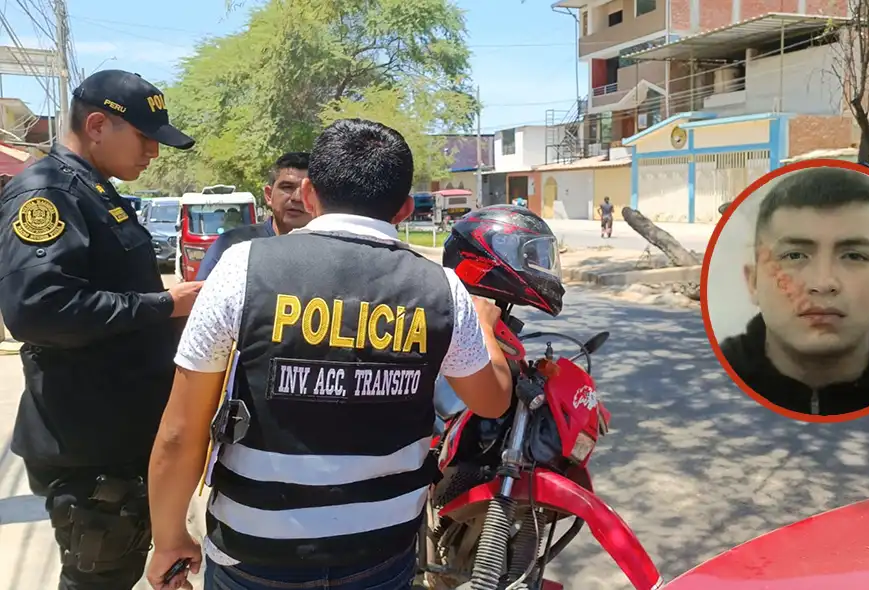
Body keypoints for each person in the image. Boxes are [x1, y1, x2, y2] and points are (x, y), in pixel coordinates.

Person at [145, 118, 514, 590]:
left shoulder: (244, 268)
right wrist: (484, 325)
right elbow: (492, 400)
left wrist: (169, 539)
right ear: (403, 209)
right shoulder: (442, 289)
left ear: (311, 194)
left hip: (254, 556)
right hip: (379, 554)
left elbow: (180, 434)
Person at [0, 69, 202, 590]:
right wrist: (163, 305)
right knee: (99, 579)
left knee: (122, 570)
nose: (153, 154)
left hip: (116, 435)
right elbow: (39, 309)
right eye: (145, 139)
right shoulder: (47, 192)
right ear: (96, 125)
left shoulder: (96, 191)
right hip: (87, 445)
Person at [718, 166, 869, 416]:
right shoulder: (716, 378)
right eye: (794, 255)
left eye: (854, 256)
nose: (823, 283)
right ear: (753, 282)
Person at [195, 151, 311, 279]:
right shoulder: (232, 247)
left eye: (307, 189)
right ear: (268, 195)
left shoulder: (333, 252)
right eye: (287, 187)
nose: (297, 197)